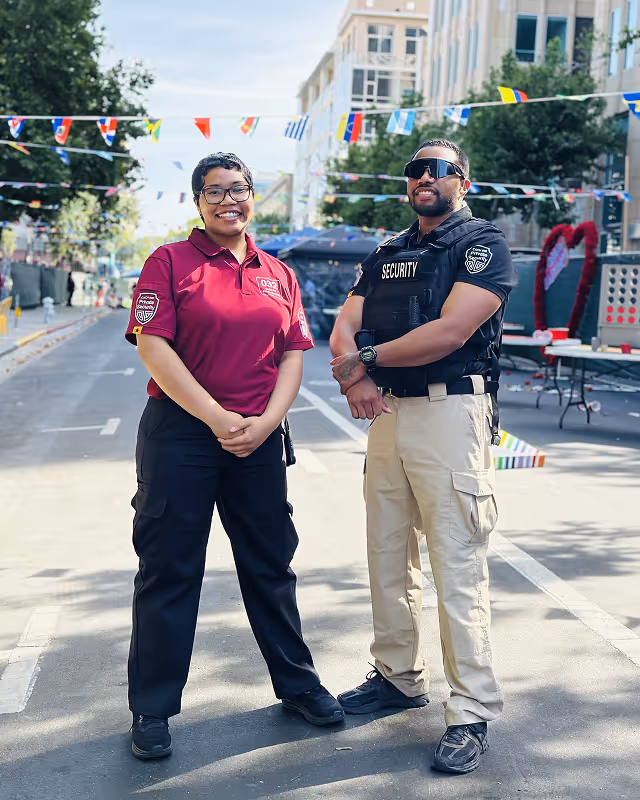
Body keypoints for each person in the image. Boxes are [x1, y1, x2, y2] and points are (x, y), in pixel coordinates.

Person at [124, 152, 344, 761]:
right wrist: (218, 418)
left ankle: (298, 685)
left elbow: (294, 353)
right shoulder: (169, 262)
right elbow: (153, 347)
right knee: (170, 569)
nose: (230, 201)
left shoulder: (277, 272)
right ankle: (153, 708)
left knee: (271, 565)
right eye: (216, 191)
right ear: (198, 200)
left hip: (258, 436)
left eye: (240, 190)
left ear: (253, 198)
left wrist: (266, 422)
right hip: (183, 434)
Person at [329, 140, 517, 775]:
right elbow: (344, 325)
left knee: (457, 562)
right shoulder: (387, 252)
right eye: (416, 171)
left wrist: (369, 362)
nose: (425, 179)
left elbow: (450, 331)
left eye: (439, 169)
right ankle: (397, 676)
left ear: (463, 179)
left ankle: (470, 708)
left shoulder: (483, 245)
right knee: (388, 556)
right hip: (388, 413)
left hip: (448, 413)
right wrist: (356, 380)